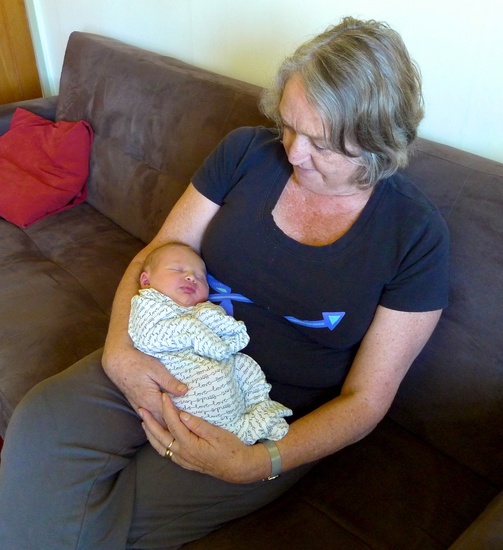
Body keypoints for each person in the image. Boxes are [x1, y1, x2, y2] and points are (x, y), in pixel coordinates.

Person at [0, 16, 449, 549]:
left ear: (378, 143)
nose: (293, 152)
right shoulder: (246, 153)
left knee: (114, 521)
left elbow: (366, 400)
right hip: (173, 348)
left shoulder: (415, 236)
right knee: (43, 423)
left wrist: (258, 462)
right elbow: (160, 251)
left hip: (260, 413)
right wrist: (120, 353)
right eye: (289, 125)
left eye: (322, 143)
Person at [129, 242, 292, 445]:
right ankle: (236, 431)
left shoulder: (202, 309)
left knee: (245, 366)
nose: (191, 277)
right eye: (177, 270)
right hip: (185, 388)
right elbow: (148, 337)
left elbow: (229, 334)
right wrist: (196, 330)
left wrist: (212, 319)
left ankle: (258, 410)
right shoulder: (148, 303)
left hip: (225, 375)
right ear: (146, 281)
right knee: (212, 380)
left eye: (200, 277)